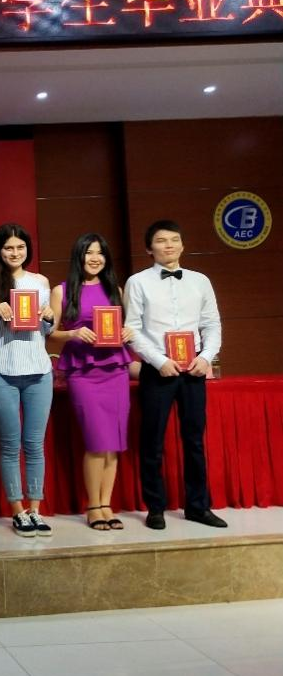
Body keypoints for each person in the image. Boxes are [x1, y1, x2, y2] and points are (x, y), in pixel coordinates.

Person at [124, 220, 226, 530]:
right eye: (161, 240)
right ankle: (155, 508)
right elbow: (132, 329)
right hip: (158, 371)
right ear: (149, 248)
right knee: (152, 440)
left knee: (194, 440)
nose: (168, 245)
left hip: (193, 369)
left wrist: (205, 357)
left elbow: (212, 324)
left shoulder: (200, 281)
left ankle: (198, 507)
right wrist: (158, 360)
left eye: (174, 239)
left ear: (182, 245)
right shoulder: (137, 282)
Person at [50, 234, 135, 531]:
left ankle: (107, 504)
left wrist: (128, 332)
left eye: (100, 253)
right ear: (79, 256)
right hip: (83, 371)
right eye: (89, 253)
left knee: (114, 442)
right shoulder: (61, 290)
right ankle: (93, 506)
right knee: (97, 441)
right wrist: (72, 334)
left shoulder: (116, 289)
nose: (95, 258)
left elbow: (128, 326)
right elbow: (50, 333)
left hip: (115, 369)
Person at [0, 223, 55, 537]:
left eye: (20, 247)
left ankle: (35, 509)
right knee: (10, 445)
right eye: (8, 248)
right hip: (1, 369)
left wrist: (49, 317)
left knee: (34, 444)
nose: (15, 252)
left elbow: (48, 330)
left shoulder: (40, 282)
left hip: (39, 369)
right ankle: (18, 511)